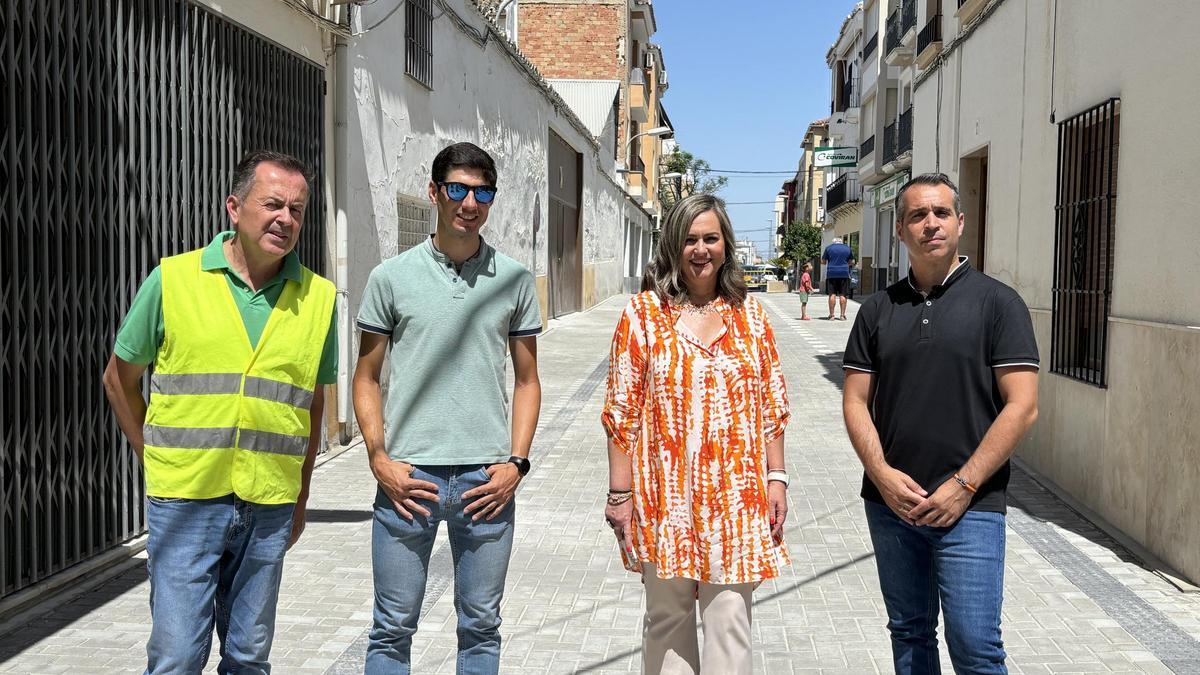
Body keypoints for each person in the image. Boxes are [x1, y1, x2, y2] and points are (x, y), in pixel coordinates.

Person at [101, 150, 338, 673]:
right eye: (273, 204)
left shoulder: (318, 298)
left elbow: (312, 403)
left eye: (297, 210)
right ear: (234, 207)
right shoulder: (173, 280)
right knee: (177, 657)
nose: (286, 219)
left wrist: (300, 495)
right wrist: (154, 455)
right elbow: (118, 380)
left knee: (249, 656)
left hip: (269, 504)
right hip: (186, 502)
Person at [354, 141, 543, 674]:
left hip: (488, 480)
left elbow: (528, 381)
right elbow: (365, 377)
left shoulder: (514, 279)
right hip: (408, 479)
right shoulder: (390, 278)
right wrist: (379, 458)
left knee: (481, 626)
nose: (470, 203)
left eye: (483, 192)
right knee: (392, 627)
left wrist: (517, 464)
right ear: (435, 193)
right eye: (458, 189)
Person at [841, 173, 1039, 674]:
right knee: (909, 635)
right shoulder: (878, 309)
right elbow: (855, 402)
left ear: (960, 222)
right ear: (900, 232)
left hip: (972, 506)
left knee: (976, 647)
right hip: (892, 507)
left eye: (941, 213)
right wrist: (882, 477)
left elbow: (1022, 406)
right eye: (916, 216)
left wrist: (964, 484)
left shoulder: (1000, 304)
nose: (930, 224)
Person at [602, 193, 791, 675]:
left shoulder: (751, 318)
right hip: (664, 500)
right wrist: (620, 495)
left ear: (726, 245)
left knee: (730, 622)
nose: (700, 249)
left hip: (736, 501)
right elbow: (620, 414)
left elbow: (771, 405)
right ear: (672, 246)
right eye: (689, 239)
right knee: (666, 621)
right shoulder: (643, 315)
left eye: (710, 238)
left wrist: (778, 478)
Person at [821, 236, 855, 320]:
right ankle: (842, 315)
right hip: (844, 273)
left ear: (834, 242)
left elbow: (823, 261)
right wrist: (846, 264)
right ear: (841, 241)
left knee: (832, 294)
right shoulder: (847, 248)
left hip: (831, 274)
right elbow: (852, 262)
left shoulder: (828, 248)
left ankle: (832, 315)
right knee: (843, 295)